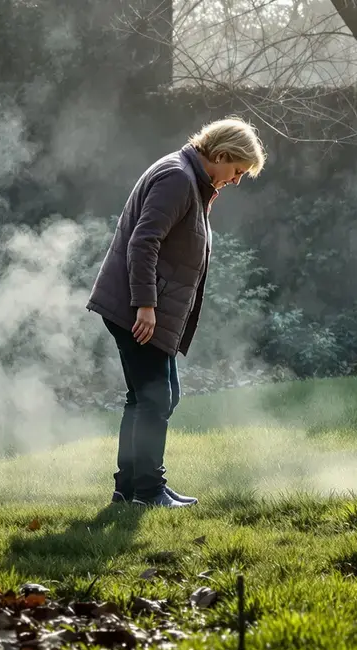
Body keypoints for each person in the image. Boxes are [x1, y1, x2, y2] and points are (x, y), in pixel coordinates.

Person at [86, 117, 266, 508]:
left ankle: (131, 489)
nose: (235, 181)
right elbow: (143, 243)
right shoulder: (178, 179)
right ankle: (147, 492)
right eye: (236, 171)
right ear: (220, 155)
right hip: (137, 308)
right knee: (154, 398)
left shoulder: (190, 180)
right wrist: (146, 305)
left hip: (146, 307)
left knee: (152, 398)